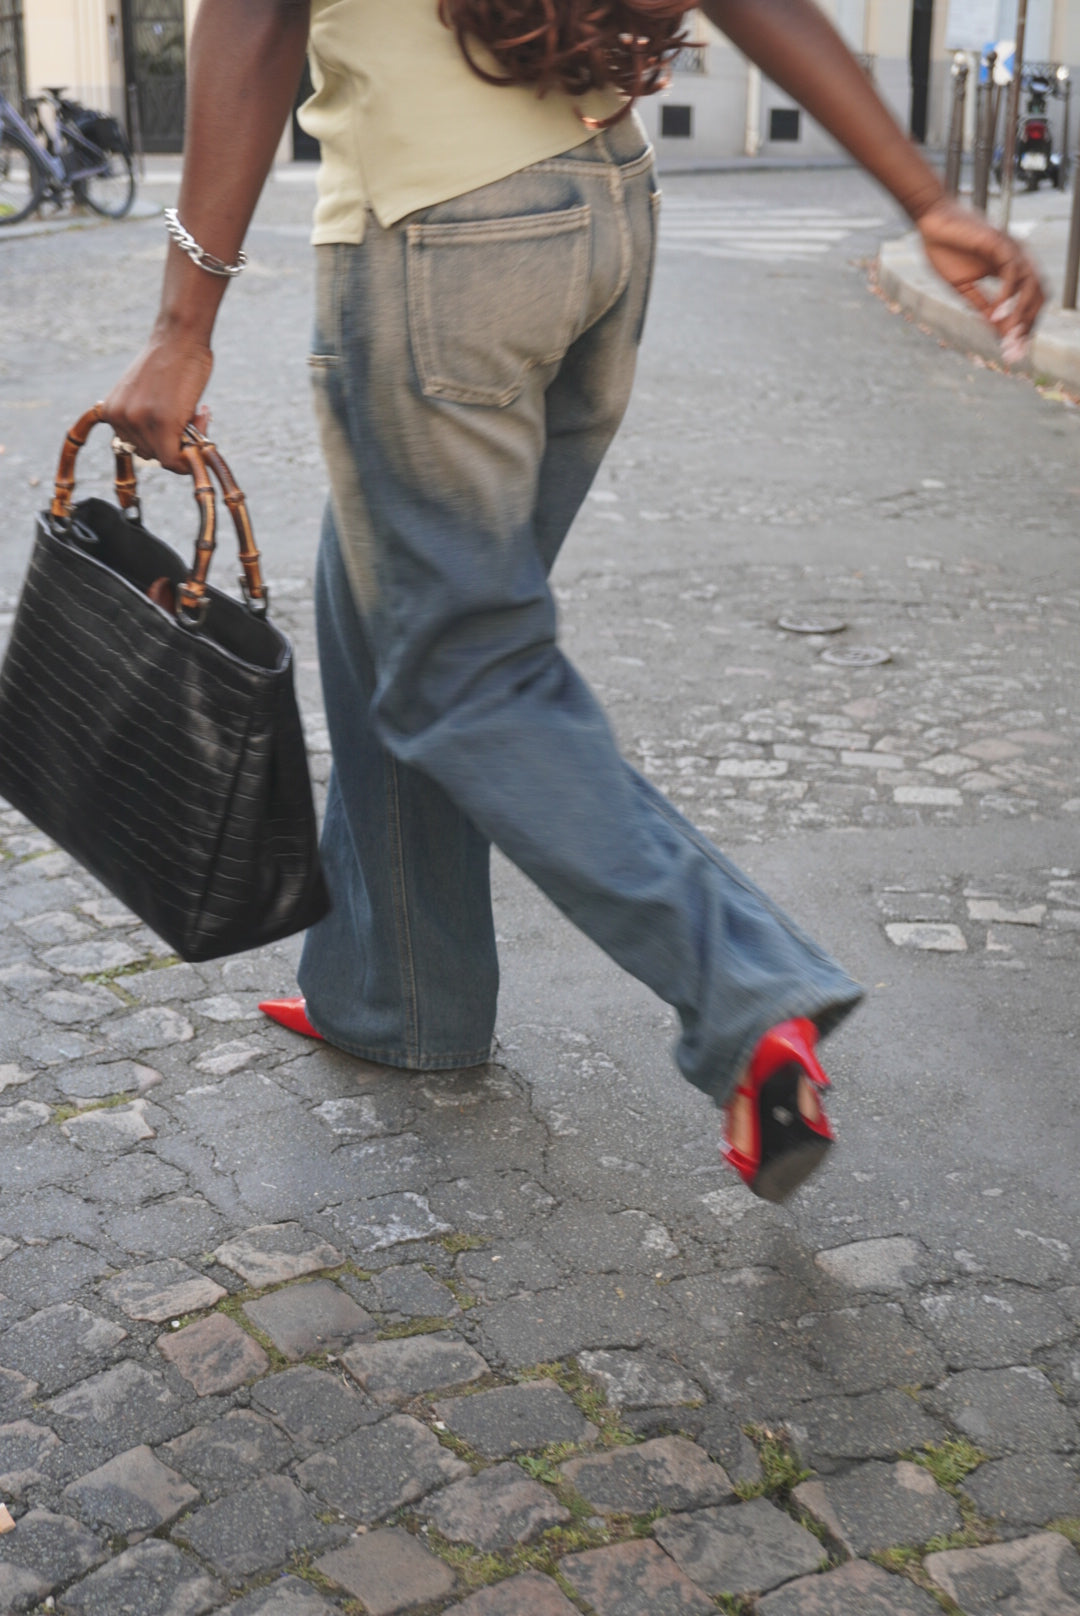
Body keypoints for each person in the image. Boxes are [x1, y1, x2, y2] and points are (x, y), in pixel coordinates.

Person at [103, 0, 1043, 1204]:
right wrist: (928, 199)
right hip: (602, 211)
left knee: (467, 667)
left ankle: (747, 989)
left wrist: (184, 326)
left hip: (440, 234)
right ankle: (398, 994)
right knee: (386, 587)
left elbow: (251, 12)